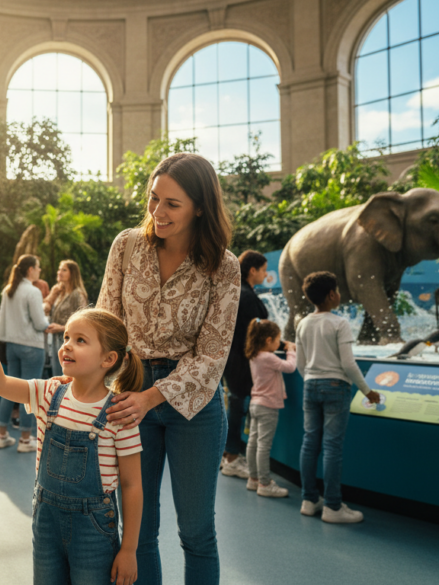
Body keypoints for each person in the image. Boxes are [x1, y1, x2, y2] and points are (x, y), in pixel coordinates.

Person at [97, 152, 240, 585]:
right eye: (153, 199)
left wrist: (152, 397)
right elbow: (107, 320)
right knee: (137, 532)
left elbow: (213, 356)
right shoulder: (125, 246)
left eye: (171, 204)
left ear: (200, 206)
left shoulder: (224, 266)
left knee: (197, 533)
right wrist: (89, 384)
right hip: (128, 393)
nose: (157, 212)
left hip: (193, 406)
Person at [0, 308, 143, 585]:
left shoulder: (119, 414)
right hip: (46, 526)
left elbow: (131, 485)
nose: (67, 344)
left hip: (94, 532)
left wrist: (129, 549)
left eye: (80, 340)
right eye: (66, 336)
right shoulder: (48, 393)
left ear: (109, 359)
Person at [295, 271, 381, 523]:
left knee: (310, 443)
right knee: (332, 446)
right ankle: (333, 506)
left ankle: (309, 500)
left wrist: (312, 379)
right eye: (338, 290)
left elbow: (301, 364)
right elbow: (349, 364)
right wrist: (368, 391)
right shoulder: (339, 323)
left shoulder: (303, 323)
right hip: (336, 386)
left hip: (310, 385)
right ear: (332, 295)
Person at [221, 250, 278, 479]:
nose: (265, 274)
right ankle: (232, 458)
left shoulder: (238, 293)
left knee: (235, 406)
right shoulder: (246, 296)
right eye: (264, 269)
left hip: (233, 361)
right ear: (252, 270)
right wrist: (281, 343)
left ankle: (229, 455)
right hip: (241, 363)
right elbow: (254, 333)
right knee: (237, 407)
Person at [0, 254, 49, 453]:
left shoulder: (8, 290)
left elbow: (3, 321)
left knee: (8, 389)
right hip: (31, 347)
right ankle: (25, 440)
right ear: (30, 270)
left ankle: (1, 435)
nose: (39, 270)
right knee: (29, 392)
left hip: (11, 346)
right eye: (38, 267)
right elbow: (39, 323)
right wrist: (49, 324)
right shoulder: (33, 292)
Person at [244, 319, 296, 498]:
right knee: (264, 446)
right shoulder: (268, 357)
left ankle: (253, 478)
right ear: (268, 340)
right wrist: (290, 351)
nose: (279, 343)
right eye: (277, 340)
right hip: (268, 406)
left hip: (255, 404)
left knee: (253, 442)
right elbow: (289, 367)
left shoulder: (254, 355)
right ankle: (265, 483)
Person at [43, 260, 88, 377]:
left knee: (67, 376)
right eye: (59, 269)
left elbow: (84, 322)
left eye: (64, 270)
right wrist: (52, 294)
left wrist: (61, 328)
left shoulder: (78, 294)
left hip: (69, 341)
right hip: (55, 340)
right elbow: (45, 308)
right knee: (57, 375)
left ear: (72, 273)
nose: (59, 272)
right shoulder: (59, 292)